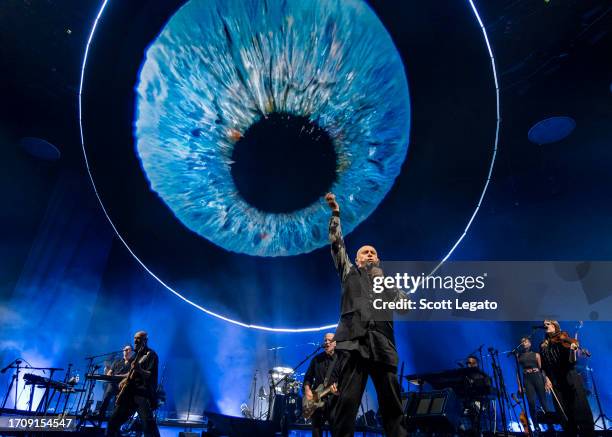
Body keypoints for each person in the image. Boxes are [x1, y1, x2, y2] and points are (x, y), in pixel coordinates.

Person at [324, 192, 408, 437]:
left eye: (373, 252)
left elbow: (404, 306)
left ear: (378, 259)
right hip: (353, 345)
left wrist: (385, 283)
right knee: (346, 406)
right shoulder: (349, 273)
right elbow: (336, 244)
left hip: (382, 346)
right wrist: (336, 215)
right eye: (365, 253)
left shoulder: (388, 282)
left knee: (393, 407)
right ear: (357, 260)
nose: (369, 254)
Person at [539, 320, 594, 436]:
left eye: (548, 323)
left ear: (555, 326)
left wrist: (573, 351)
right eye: (544, 324)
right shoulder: (543, 345)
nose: (545, 325)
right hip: (555, 381)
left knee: (580, 408)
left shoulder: (563, 338)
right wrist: (546, 379)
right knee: (563, 413)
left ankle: (588, 433)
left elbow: (572, 362)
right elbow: (543, 366)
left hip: (569, 376)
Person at [106, 331, 160, 437]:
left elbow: (150, 375)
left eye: (139, 338)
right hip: (129, 392)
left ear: (145, 340)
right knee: (113, 422)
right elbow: (131, 373)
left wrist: (139, 369)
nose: (135, 340)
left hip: (141, 394)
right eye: (135, 338)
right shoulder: (136, 355)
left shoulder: (151, 355)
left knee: (148, 426)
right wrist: (124, 380)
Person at [303, 333, 345, 437]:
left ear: (335, 343)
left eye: (329, 340)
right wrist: (307, 389)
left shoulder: (341, 359)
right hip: (316, 401)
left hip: (334, 402)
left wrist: (338, 391)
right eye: (325, 340)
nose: (326, 342)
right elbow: (308, 377)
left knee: (336, 431)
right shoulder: (317, 359)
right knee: (316, 432)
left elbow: (345, 381)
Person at [516, 337, 551, 432]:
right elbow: (517, 372)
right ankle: (536, 426)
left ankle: (550, 426)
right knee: (531, 403)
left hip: (537, 377)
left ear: (530, 343)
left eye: (525, 341)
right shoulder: (519, 356)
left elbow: (541, 369)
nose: (524, 343)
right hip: (527, 379)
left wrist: (546, 381)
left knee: (544, 403)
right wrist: (519, 386)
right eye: (522, 342)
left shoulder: (536, 355)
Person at [98, 345, 133, 425]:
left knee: (118, 404)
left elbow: (129, 374)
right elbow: (110, 371)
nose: (126, 351)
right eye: (124, 350)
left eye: (128, 350)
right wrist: (109, 374)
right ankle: (100, 418)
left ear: (131, 352)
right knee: (106, 399)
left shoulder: (133, 362)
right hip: (113, 383)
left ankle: (114, 422)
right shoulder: (117, 361)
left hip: (124, 385)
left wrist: (116, 376)